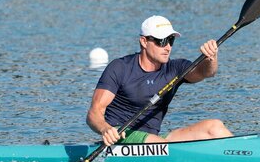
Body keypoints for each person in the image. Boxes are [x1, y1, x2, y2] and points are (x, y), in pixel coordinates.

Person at [87, 15, 233, 146]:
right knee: (161, 144)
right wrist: (105, 129)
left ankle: (246, 156)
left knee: (215, 127)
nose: (168, 47)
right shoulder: (120, 67)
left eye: (171, 40)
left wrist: (210, 58)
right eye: (161, 41)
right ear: (144, 41)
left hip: (156, 142)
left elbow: (205, 72)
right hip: (120, 136)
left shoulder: (175, 68)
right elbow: (94, 112)